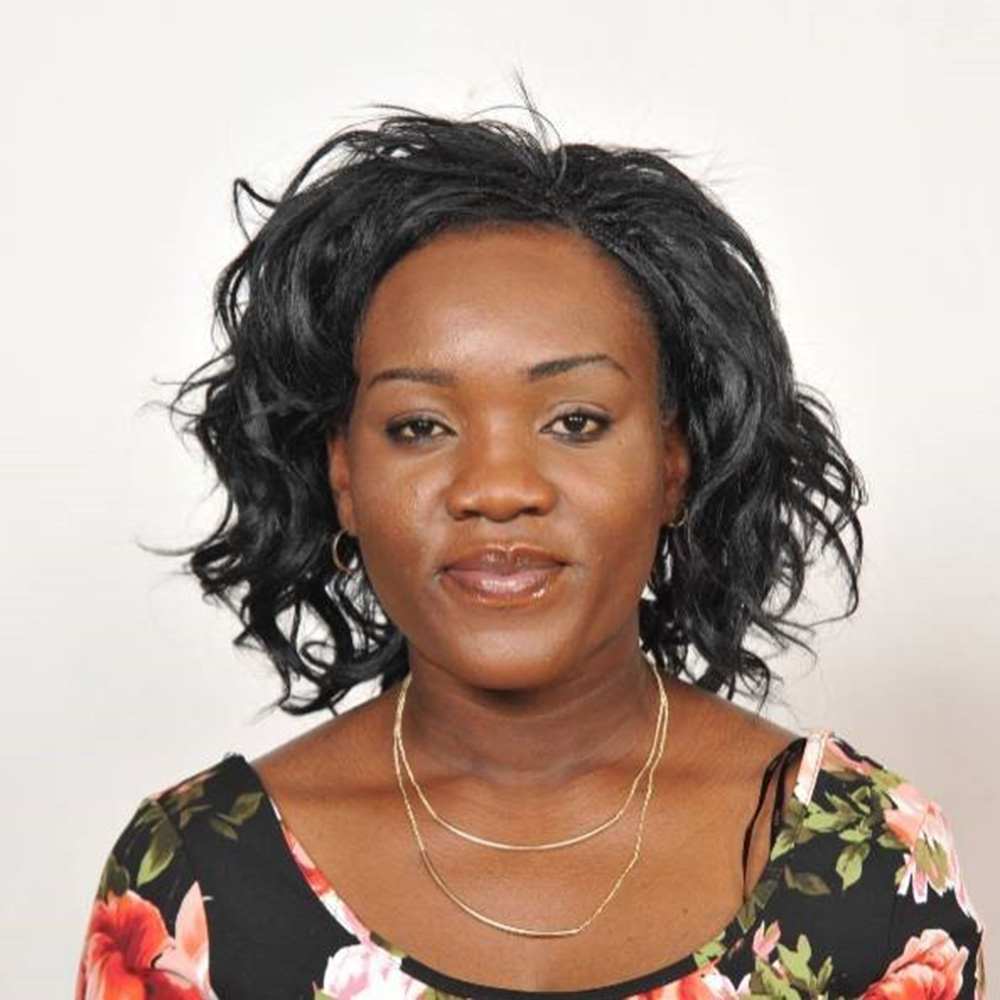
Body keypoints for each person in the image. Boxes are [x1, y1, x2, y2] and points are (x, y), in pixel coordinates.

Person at [75, 97, 986, 1000]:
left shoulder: (875, 868)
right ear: (343, 476)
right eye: (420, 425)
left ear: (674, 465)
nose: (497, 488)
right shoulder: (191, 882)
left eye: (576, 421)